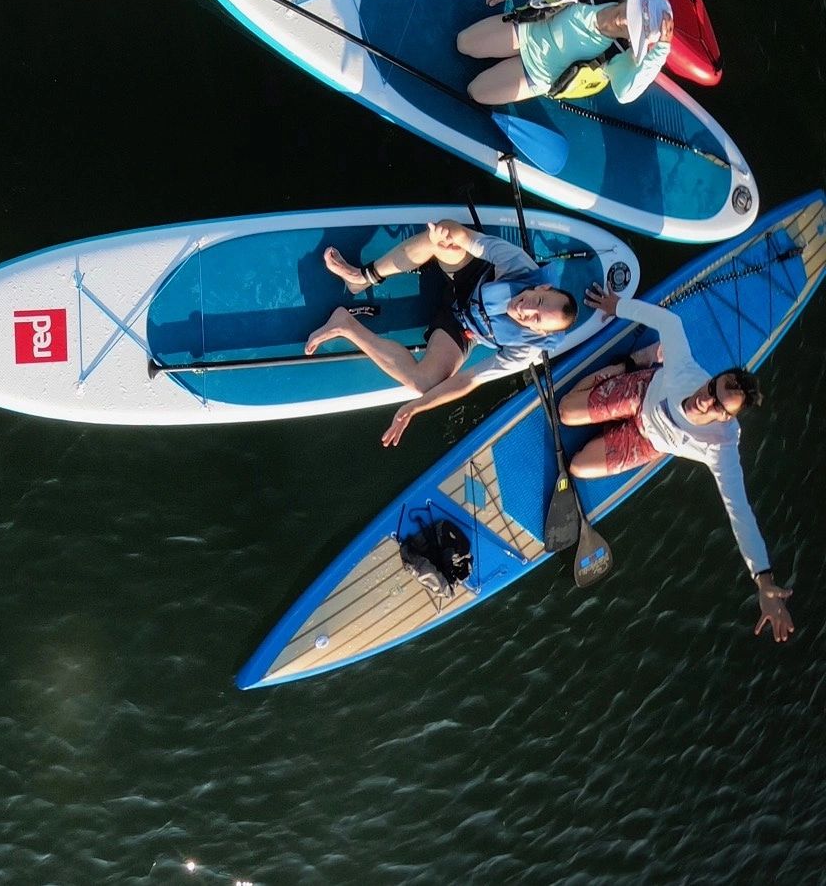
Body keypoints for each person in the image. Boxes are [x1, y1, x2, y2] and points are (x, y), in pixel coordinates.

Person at [563, 284, 793, 641]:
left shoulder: (722, 448)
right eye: (713, 388)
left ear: (726, 418)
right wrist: (617, 304)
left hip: (648, 441)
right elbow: (667, 321)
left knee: (578, 466)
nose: (705, 400)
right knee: (565, 411)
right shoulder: (684, 368)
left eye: (718, 406)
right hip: (641, 392)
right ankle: (635, 362)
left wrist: (764, 580)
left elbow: (740, 512)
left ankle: (636, 384)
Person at [302, 220, 580, 445]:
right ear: (542, 289)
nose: (527, 309)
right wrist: (449, 233)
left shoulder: (526, 350)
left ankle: (345, 325)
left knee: (422, 384)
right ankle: (361, 279)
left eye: (536, 319)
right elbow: (466, 235)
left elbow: (469, 380)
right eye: (539, 302)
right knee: (442, 240)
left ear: (538, 331)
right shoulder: (520, 265)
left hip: (463, 325)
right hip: (469, 277)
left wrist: (417, 406)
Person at [457, 0, 674, 106]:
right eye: (631, 12)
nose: (624, 20)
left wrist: (661, 51)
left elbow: (625, 94)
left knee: (476, 92)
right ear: (629, 0)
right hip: (527, 30)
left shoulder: (620, 54)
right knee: (463, 43)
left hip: (537, 74)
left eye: (633, 27)